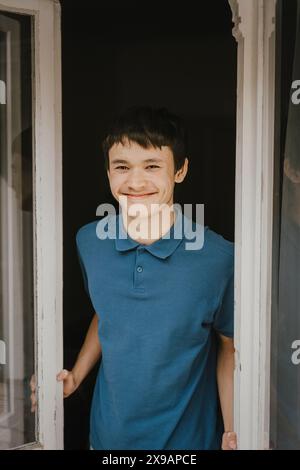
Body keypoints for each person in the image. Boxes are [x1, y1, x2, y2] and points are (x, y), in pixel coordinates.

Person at [32, 106, 237, 450]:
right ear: (108, 172)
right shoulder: (89, 241)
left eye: (153, 166)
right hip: (106, 439)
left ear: (181, 171)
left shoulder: (219, 258)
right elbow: (107, 310)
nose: (135, 181)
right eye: (122, 167)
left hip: (189, 444)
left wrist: (232, 430)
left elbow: (229, 346)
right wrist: (76, 376)